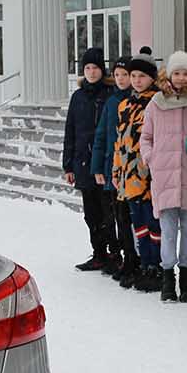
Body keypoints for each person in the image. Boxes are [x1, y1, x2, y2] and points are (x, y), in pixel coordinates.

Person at [139, 51, 187, 303]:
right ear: (168, 74)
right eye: (176, 73)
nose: (180, 78)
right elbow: (145, 137)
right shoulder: (156, 103)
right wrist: (150, 157)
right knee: (167, 231)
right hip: (164, 176)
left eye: (185, 73)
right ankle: (168, 280)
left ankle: (186, 281)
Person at [63, 47, 116, 271]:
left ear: (102, 70)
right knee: (91, 214)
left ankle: (115, 255)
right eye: (87, 68)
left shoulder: (110, 94)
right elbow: (70, 131)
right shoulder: (78, 96)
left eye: (95, 67)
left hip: (105, 163)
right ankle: (99, 254)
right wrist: (68, 165)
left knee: (109, 212)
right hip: (83, 162)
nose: (92, 72)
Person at [112, 57, 162, 293]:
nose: (137, 80)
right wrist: (116, 170)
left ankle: (156, 266)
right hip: (128, 174)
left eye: (142, 76)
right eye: (133, 76)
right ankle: (144, 264)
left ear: (152, 78)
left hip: (150, 173)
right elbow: (119, 141)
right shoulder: (125, 104)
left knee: (154, 223)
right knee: (138, 222)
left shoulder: (157, 103)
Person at [93, 59, 139, 285]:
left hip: (134, 171)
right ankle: (124, 259)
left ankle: (137, 260)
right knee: (119, 217)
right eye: (118, 74)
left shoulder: (137, 100)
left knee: (134, 219)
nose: (121, 79)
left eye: (125, 74)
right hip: (114, 169)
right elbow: (101, 135)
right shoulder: (111, 102)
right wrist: (97, 168)